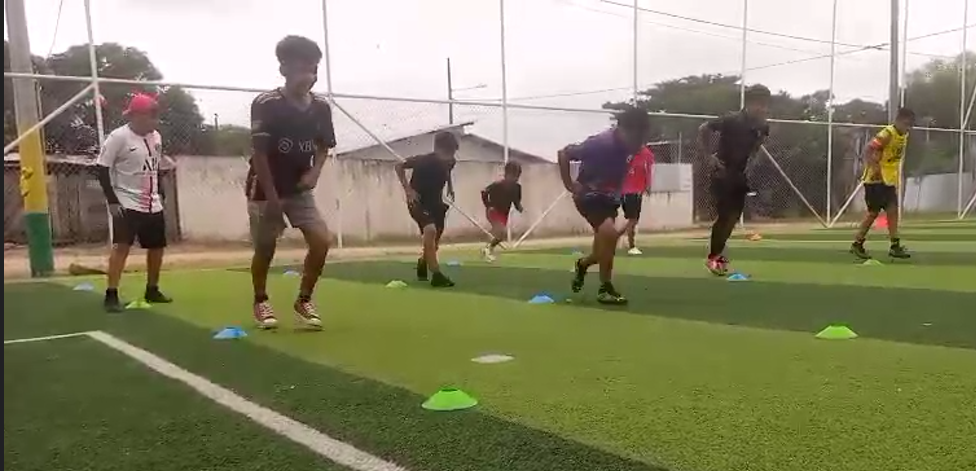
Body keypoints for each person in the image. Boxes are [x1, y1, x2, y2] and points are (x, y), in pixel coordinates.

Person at [247, 35, 336, 330]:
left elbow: (324, 145)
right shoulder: (266, 104)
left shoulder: (321, 107)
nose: (308, 75)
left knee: (321, 241)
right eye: (302, 68)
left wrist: (315, 172)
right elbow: (259, 155)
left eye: (313, 68)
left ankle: (304, 299)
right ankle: (261, 300)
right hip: (265, 187)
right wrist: (273, 202)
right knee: (265, 247)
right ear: (284, 69)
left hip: (299, 188)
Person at [558, 107, 651, 305]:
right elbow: (564, 153)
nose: (638, 143)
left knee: (603, 248)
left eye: (642, 137)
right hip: (588, 196)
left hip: (609, 199)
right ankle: (605, 288)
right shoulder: (599, 144)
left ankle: (583, 264)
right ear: (622, 129)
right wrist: (569, 184)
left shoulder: (633, 148)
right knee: (609, 234)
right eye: (635, 137)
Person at [95, 93, 172, 312]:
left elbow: (155, 166)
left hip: (152, 202)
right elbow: (102, 168)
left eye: (156, 116)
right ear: (137, 116)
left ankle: (152, 289)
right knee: (122, 247)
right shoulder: (118, 137)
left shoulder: (156, 137)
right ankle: (111, 294)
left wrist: (160, 192)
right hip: (126, 201)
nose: (155, 121)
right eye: (151, 116)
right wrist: (112, 200)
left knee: (157, 247)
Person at [698, 84, 771, 276]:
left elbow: (758, 143)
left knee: (733, 218)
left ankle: (717, 255)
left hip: (740, 175)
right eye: (760, 104)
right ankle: (714, 258)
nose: (763, 109)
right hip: (722, 172)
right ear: (750, 103)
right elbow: (704, 128)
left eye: (765, 105)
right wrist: (709, 156)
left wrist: (751, 160)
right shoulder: (732, 119)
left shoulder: (763, 126)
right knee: (725, 216)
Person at [850, 107, 915, 260]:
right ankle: (857, 243)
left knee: (892, 210)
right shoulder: (887, 133)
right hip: (875, 180)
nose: (908, 128)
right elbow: (868, 149)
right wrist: (875, 168)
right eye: (906, 124)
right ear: (898, 120)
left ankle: (895, 245)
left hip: (888, 180)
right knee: (873, 213)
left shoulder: (904, 135)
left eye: (910, 125)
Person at [396, 131, 459, 288]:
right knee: (430, 230)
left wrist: (450, 187)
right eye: (448, 153)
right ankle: (437, 275)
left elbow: (448, 172)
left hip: (436, 203)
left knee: (434, 243)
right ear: (438, 149)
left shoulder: (450, 162)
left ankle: (423, 262)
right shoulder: (423, 160)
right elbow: (398, 166)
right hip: (418, 202)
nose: (450, 157)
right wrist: (408, 190)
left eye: (452, 153)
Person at [481, 161, 524, 262]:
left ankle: (488, 248)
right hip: (493, 211)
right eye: (513, 175)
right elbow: (484, 192)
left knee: (500, 236)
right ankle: (486, 250)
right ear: (506, 174)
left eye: (517, 176)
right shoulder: (498, 185)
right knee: (499, 230)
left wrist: (519, 207)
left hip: (504, 215)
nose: (515, 178)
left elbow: (516, 201)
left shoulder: (517, 188)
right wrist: (488, 205)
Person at [619, 145, 654, 255]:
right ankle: (630, 245)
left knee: (632, 220)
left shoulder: (626, 151)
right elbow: (647, 171)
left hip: (626, 192)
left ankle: (621, 240)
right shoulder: (645, 153)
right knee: (633, 220)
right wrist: (648, 186)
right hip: (633, 192)